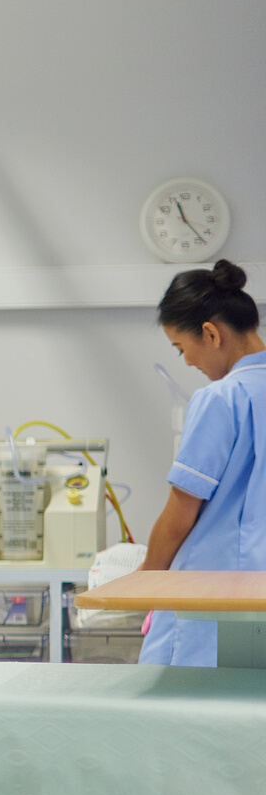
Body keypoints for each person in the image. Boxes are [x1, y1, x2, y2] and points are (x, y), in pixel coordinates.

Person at [138, 261, 266, 666]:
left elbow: (180, 513)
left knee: (184, 713)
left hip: (211, 593)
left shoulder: (221, 399)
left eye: (181, 349)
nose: (188, 362)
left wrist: (146, 581)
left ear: (211, 334)